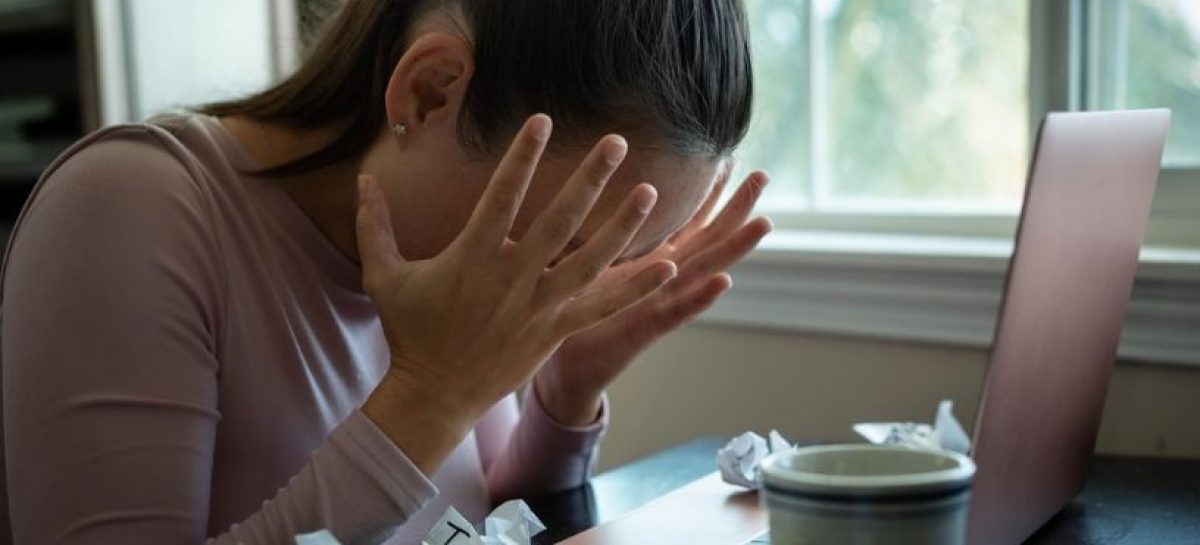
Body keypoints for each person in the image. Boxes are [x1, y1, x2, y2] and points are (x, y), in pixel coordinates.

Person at [0, 0, 770, 543]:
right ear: (428, 93)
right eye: (564, 237)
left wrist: (565, 391)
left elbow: (468, 517)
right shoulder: (128, 207)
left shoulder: (431, 252)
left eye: (618, 250)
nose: (565, 283)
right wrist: (430, 395)